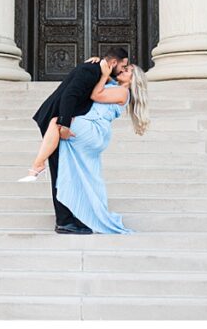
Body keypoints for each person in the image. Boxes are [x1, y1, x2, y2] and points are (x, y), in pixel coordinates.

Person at [26, 54, 151, 235]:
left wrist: (101, 74)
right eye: (124, 68)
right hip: (91, 126)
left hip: (94, 129)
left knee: (56, 122)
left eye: (128, 71)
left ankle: (38, 163)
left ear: (133, 80)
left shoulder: (123, 92)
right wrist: (96, 64)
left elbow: (95, 94)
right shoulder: (114, 86)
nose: (123, 70)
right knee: (72, 169)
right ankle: (73, 213)